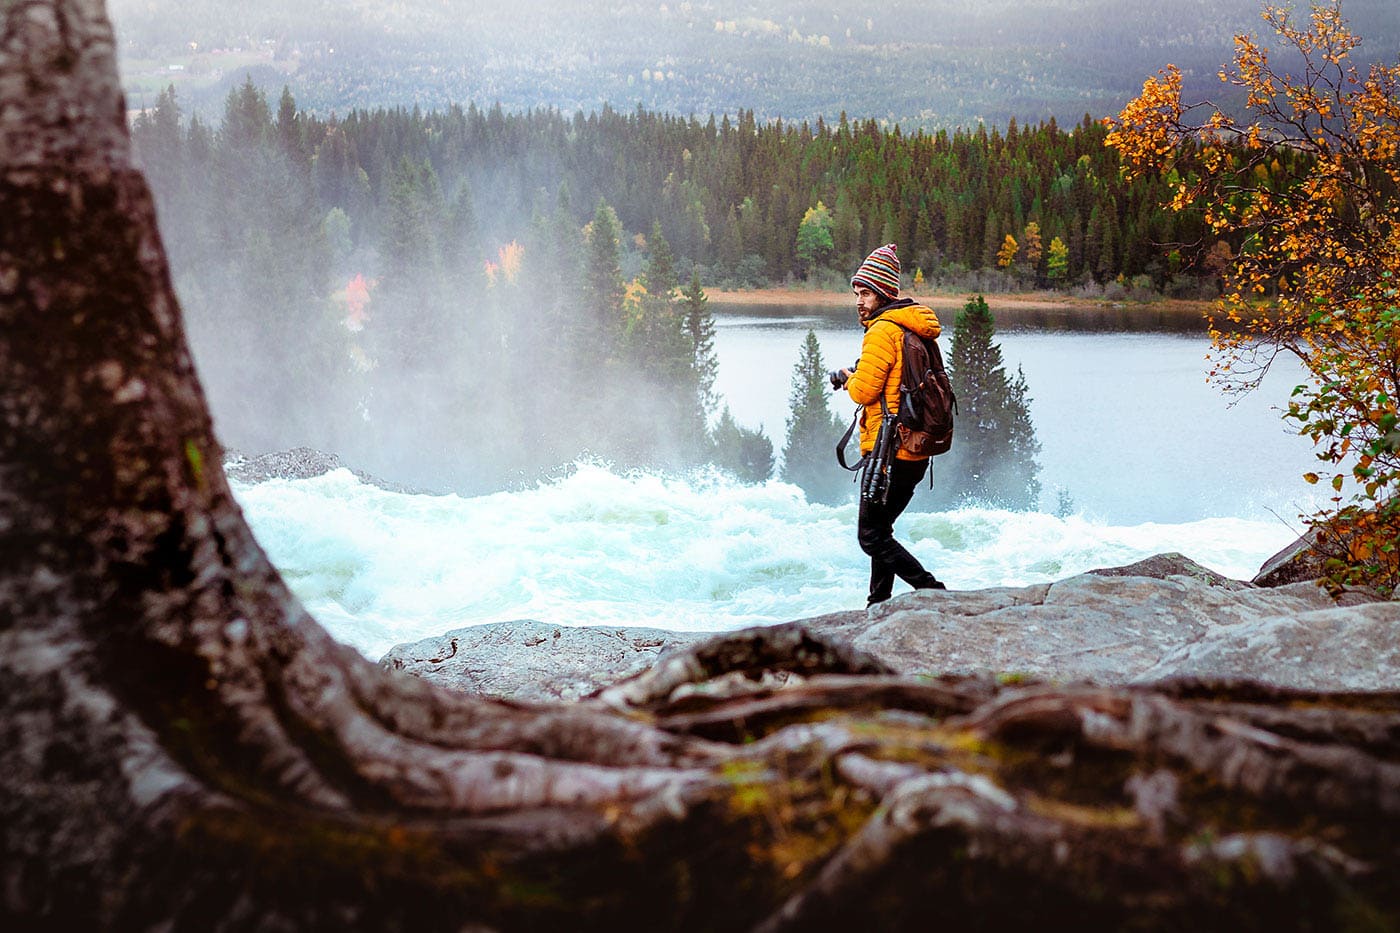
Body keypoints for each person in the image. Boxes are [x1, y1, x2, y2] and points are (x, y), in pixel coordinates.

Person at [837, 244, 948, 605]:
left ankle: (932, 591)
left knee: (870, 535)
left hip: (889, 452)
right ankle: (878, 603)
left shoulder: (882, 331)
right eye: (857, 293)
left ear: (883, 293)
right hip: (915, 450)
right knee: (882, 530)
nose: (859, 301)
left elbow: (864, 391)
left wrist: (848, 379)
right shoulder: (913, 327)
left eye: (866, 293)